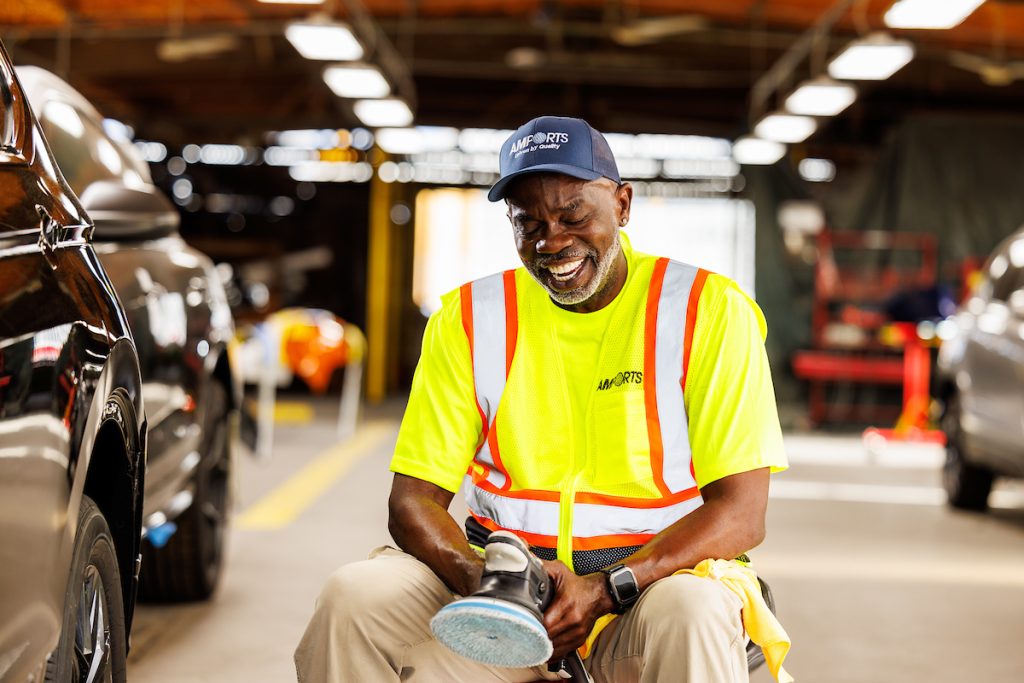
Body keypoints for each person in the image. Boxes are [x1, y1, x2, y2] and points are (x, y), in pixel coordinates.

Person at [295, 116, 789, 683]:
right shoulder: (470, 319)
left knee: (695, 611)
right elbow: (411, 503)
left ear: (622, 205)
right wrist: (487, 586)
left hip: (650, 588)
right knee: (351, 597)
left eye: (573, 215)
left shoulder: (707, 311)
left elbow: (743, 513)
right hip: (502, 587)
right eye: (527, 222)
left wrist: (605, 589)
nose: (551, 242)